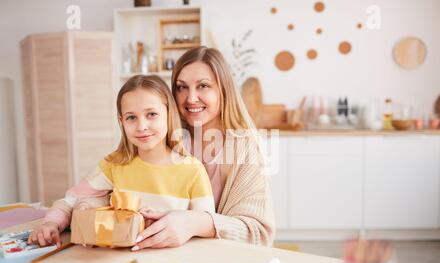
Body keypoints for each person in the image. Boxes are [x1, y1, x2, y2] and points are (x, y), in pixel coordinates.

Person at [28, 75, 215, 249]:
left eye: (151, 114)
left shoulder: (192, 170)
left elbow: (205, 227)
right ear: (122, 121)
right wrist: (50, 223)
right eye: (131, 117)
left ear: (169, 114)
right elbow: (71, 200)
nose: (142, 126)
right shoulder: (114, 165)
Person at [134, 47, 275, 250]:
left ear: (223, 90)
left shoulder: (246, 148)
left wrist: (195, 223)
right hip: (161, 256)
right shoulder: (161, 138)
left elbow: (258, 234)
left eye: (203, 86)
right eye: (181, 87)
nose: (191, 98)